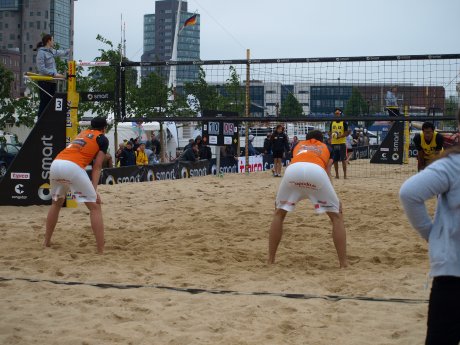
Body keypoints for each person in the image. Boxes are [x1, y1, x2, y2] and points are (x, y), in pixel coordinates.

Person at [399, 110, 460, 345]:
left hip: (452, 271)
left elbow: (409, 192)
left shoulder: (452, 162)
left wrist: (431, 235)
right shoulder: (442, 155)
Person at [268, 130, 348, 268]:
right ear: (321, 140)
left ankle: (270, 260)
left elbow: (298, 161)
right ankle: (343, 264)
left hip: (293, 170)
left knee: (279, 214)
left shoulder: (298, 145)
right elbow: (328, 171)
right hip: (316, 171)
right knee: (336, 216)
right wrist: (335, 198)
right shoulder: (326, 147)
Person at [43, 116, 109, 254]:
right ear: (104, 128)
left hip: (56, 163)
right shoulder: (102, 138)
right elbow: (97, 166)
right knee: (95, 207)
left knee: (56, 203)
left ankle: (47, 242)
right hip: (73, 166)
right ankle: (101, 249)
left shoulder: (82, 133)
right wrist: (94, 191)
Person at [35, 34, 69, 116]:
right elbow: (41, 69)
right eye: (52, 40)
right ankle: (40, 123)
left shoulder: (51, 51)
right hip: (44, 81)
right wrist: (55, 74)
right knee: (44, 102)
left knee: (51, 102)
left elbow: (61, 52)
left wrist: (69, 50)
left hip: (52, 81)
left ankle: (48, 120)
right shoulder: (41, 53)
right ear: (49, 41)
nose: (53, 42)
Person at [330, 108, 350, 179]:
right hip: (334, 143)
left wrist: (339, 136)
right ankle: (337, 175)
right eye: (335, 113)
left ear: (340, 114)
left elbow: (347, 133)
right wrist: (331, 135)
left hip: (341, 143)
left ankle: (345, 175)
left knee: (343, 160)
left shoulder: (344, 122)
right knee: (335, 160)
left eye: (338, 113)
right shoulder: (332, 122)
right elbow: (329, 132)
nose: (336, 115)